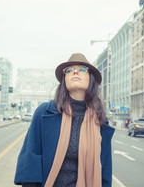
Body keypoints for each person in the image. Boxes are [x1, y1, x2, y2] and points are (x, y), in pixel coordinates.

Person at [14, 53, 115, 187]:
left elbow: (105, 173)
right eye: (69, 70)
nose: (75, 72)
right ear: (64, 79)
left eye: (82, 69)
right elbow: (30, 159)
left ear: (90, 79)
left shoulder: (100, 122)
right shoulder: (44, 113)